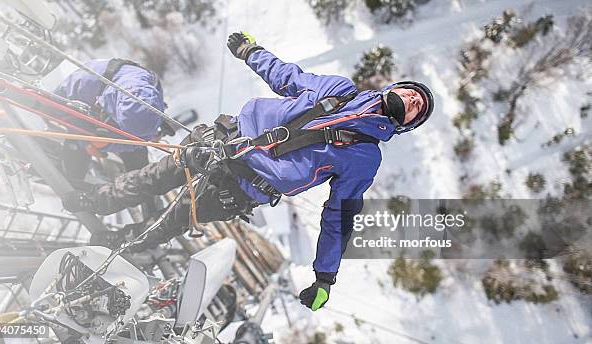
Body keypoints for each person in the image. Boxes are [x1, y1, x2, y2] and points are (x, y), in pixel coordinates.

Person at [62, 33, 434, 311]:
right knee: (151, 178)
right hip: (220, 140)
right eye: (414, 93)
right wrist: (251, 52)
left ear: (405, 125)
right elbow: (287, 76)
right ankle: (86, 201)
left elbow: (340, 215)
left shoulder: (365, 157)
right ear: (395, 87)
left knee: (166, 223)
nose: (415, 100)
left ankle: (106, 247)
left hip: (241, 186)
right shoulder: (340, 90)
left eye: (419, 108)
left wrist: (325, 277)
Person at [53, 58, 172, 177]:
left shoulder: (149, 82)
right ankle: (75, 182)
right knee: (82, 151)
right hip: (74, 102)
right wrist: (86, 143)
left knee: (136, 151)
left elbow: (148, 107)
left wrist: (155, 125)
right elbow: (70, 119)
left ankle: (141, 183)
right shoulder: (79, 87)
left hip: (105, 97)